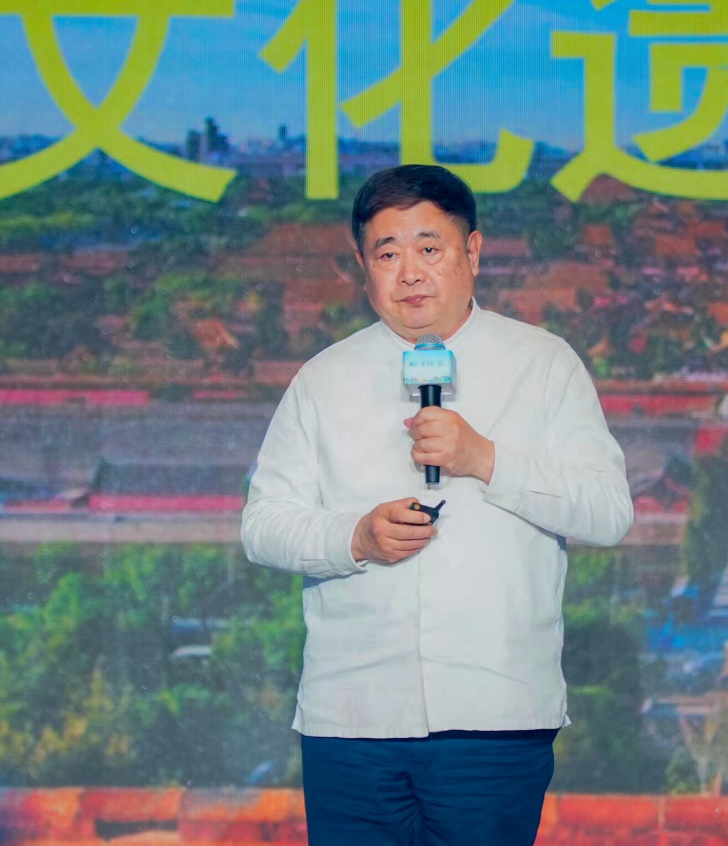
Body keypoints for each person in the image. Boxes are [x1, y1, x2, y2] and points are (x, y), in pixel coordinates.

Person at [240, 164, 633, 845]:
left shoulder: (543, 364)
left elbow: (608, 511)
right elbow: (263, 525)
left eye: (430, 248)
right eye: (387, 254)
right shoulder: (322, 379)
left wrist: (486, 459)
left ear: (472, 252)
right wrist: (355, 538)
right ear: (362, 267)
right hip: (352, 715)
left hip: (495, 712)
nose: (410, 274)